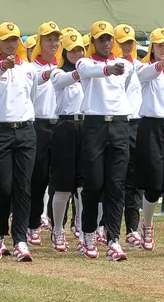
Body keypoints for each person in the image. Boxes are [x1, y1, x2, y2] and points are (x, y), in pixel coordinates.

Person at [0, 22, 38, 262]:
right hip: (0, 132)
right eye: (5, 40)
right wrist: (4, 65)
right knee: (2, 188)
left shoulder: (29, 68)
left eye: (14, 39)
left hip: (25, 130)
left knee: (23, 188)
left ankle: (20, 240)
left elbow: (32, 95)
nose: (11, 43)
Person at [75, 21, 132, 261]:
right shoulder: (85, 62)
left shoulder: (126, 65)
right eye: (101, 39)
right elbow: (88, 72)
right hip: (94, 125)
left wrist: (113, 69)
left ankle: (113, 239)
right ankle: (88, 233)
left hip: (119, 124)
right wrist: (108, 70)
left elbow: (126, 87)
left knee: (116, 185)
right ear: (93, 42)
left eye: (109, 38)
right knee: (94, 183)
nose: (106, 43)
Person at [41, 29, 86, 252]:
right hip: (66, 126)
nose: (77, 54)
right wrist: (83, 72)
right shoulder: (58, 73)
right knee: (63, 185)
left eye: (81, 50)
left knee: (84, 184)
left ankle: (82, 226)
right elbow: (64, 80)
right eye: (73, 50)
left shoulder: (92, 74)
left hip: (87, 126)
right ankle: (57, 228)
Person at [135, 28, 164, 251]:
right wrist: (159, 65)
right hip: (151, 125)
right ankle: (148, 225)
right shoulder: (143, 67)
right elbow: (144, 75)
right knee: (153, 183)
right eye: (160, 45)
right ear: (152, 47)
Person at [27, 21, 62, 246]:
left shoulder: (65, 67)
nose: (53, 43)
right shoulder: (31, 69)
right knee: (37, 179)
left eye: (56, 39)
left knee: (59, 180)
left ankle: (56, 224)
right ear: (39, 42)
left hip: (60, 126)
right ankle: (33, 223)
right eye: (48, 39)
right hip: (38, 125)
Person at [113, 24, 144, 249]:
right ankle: (107, 226)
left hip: (136, 124)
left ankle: (132, 228)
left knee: (133, 179)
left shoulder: (141, 67)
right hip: (117, 123)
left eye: (130, 42)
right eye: (122, 42)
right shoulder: (110, 67)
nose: (127, 46)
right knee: (114, 178)